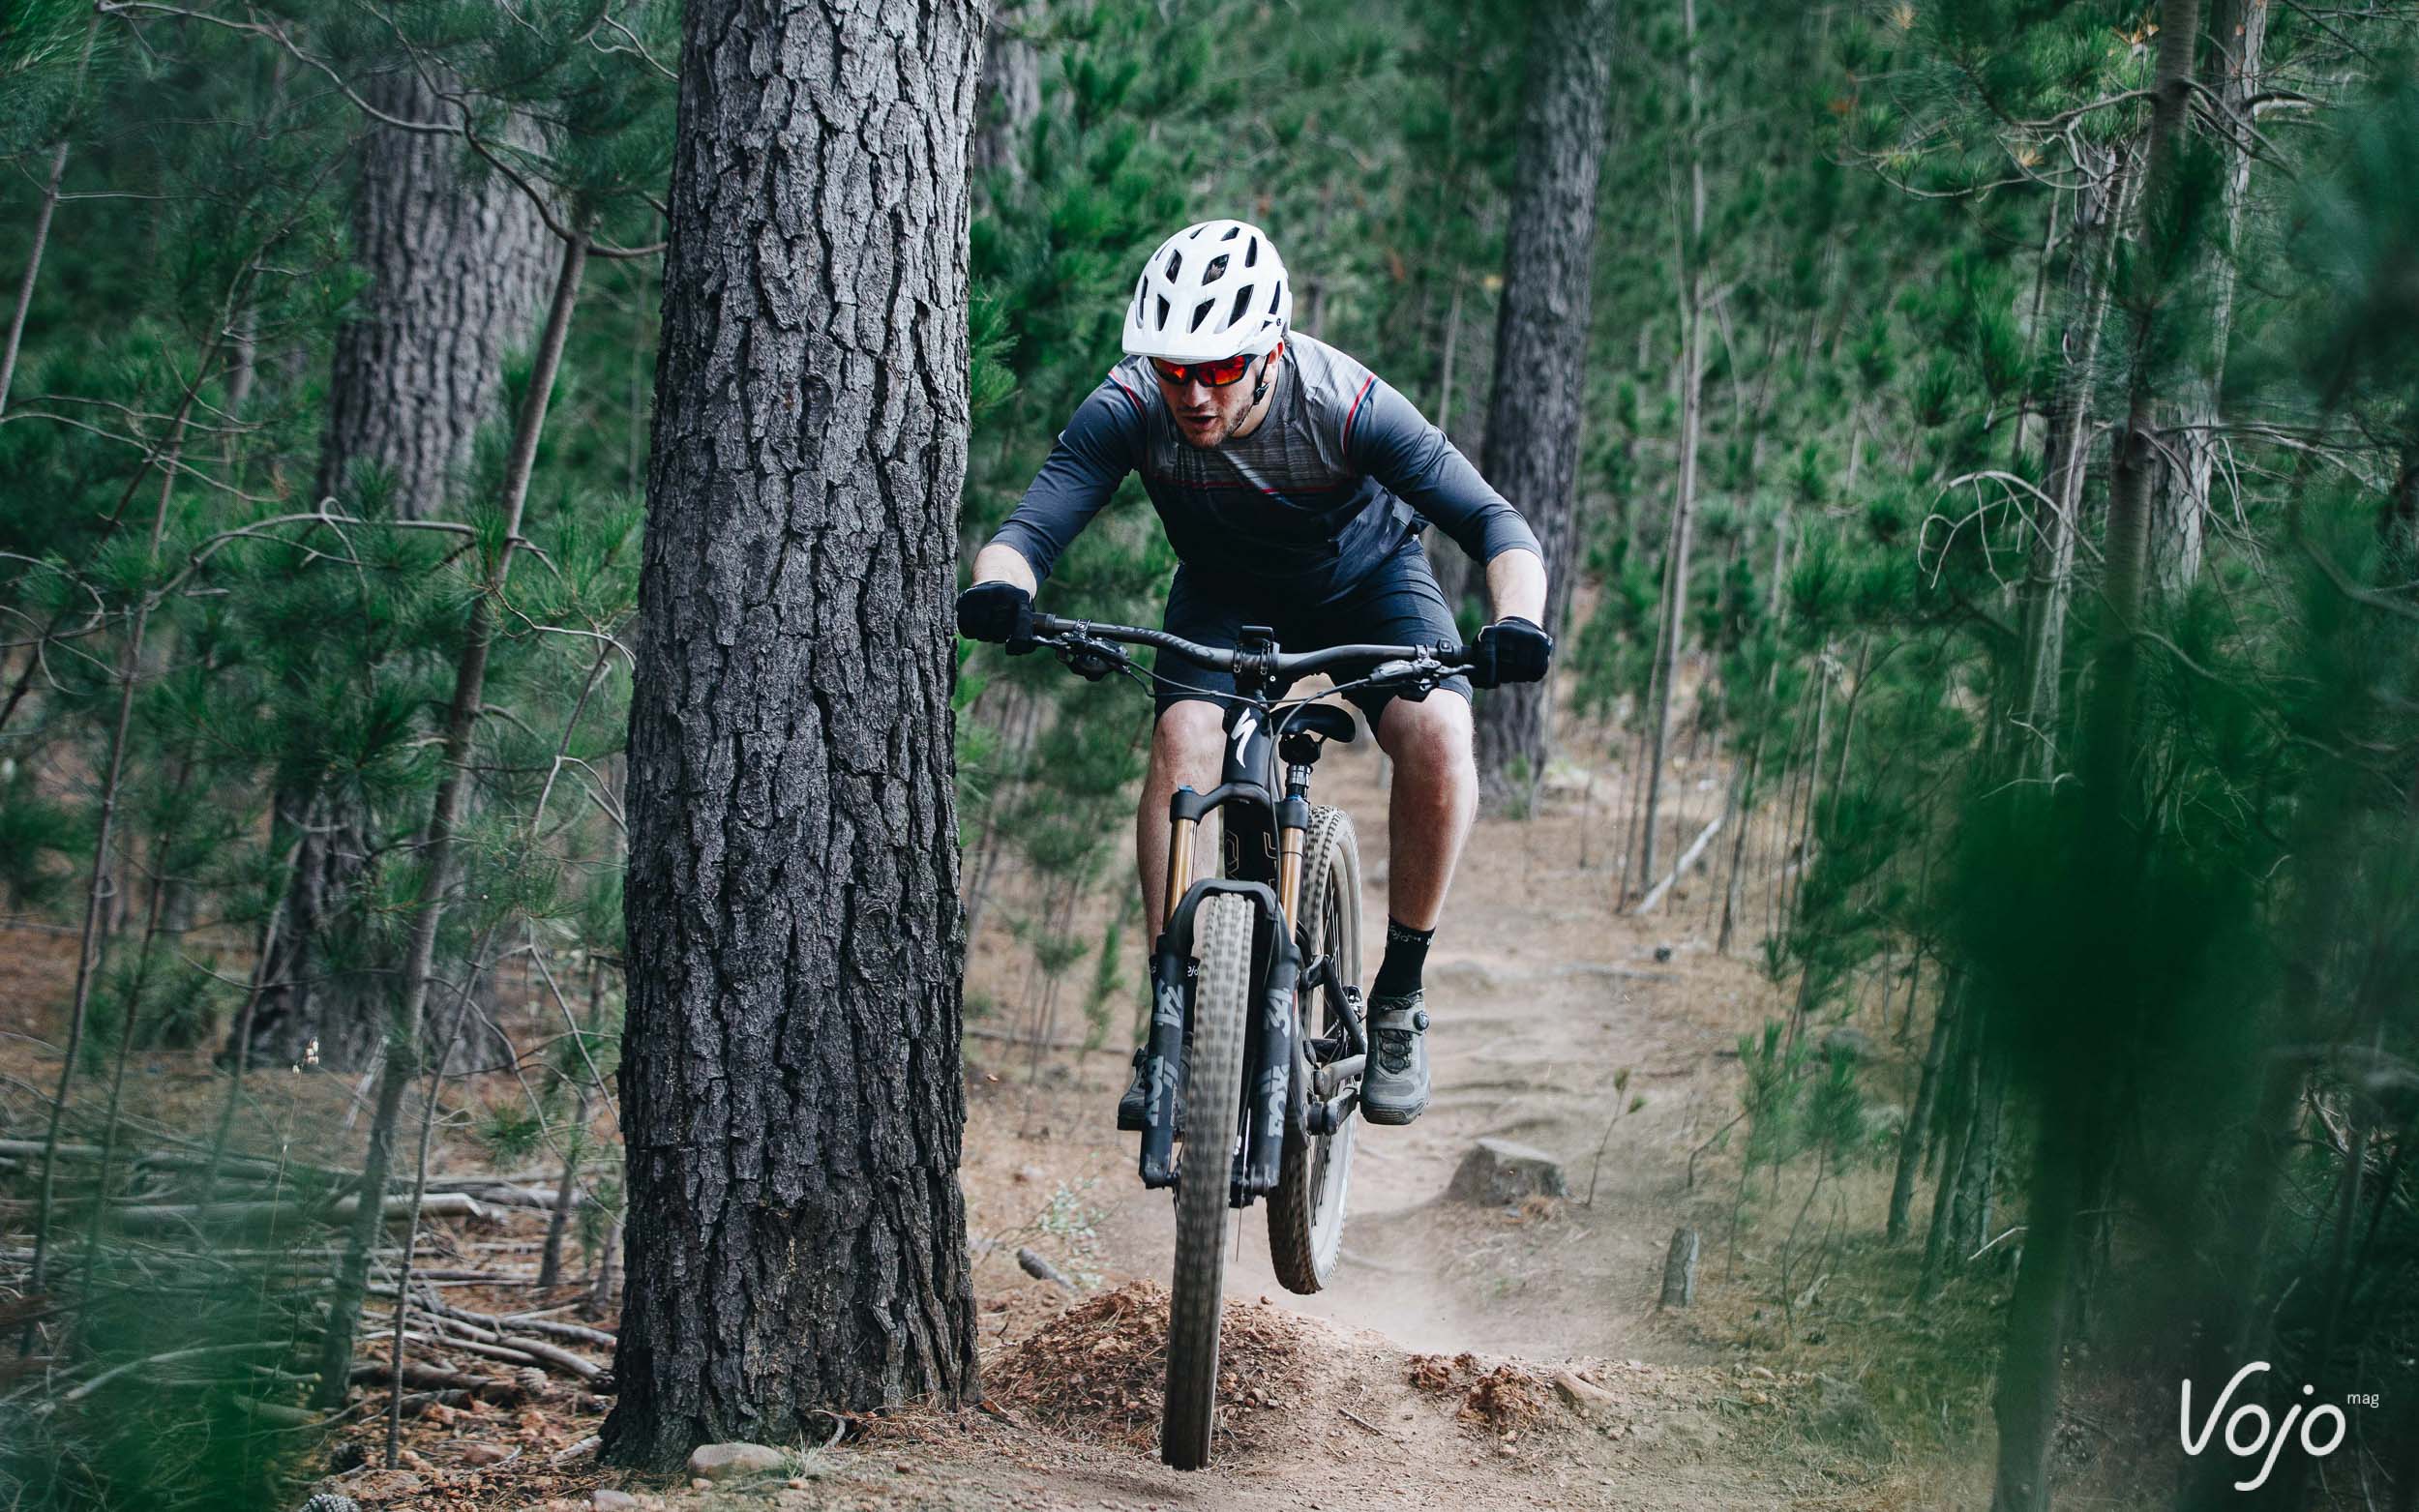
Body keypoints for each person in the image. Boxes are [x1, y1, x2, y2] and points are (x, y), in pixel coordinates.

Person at [956, 218, 1551, 1128]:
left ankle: (1399, 991)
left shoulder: (1346, 403)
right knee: (1182, 734)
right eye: (1173, 369)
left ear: (1270, 349)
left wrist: (1518, 619)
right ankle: (1171, 1011)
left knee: (1438, 728)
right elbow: (1026, 534)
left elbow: (1499, 526)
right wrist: (1003, 590)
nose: (1194, 393)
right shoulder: (1129, 405)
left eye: (1221, 367)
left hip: (1367, 582)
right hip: (1225, 592)